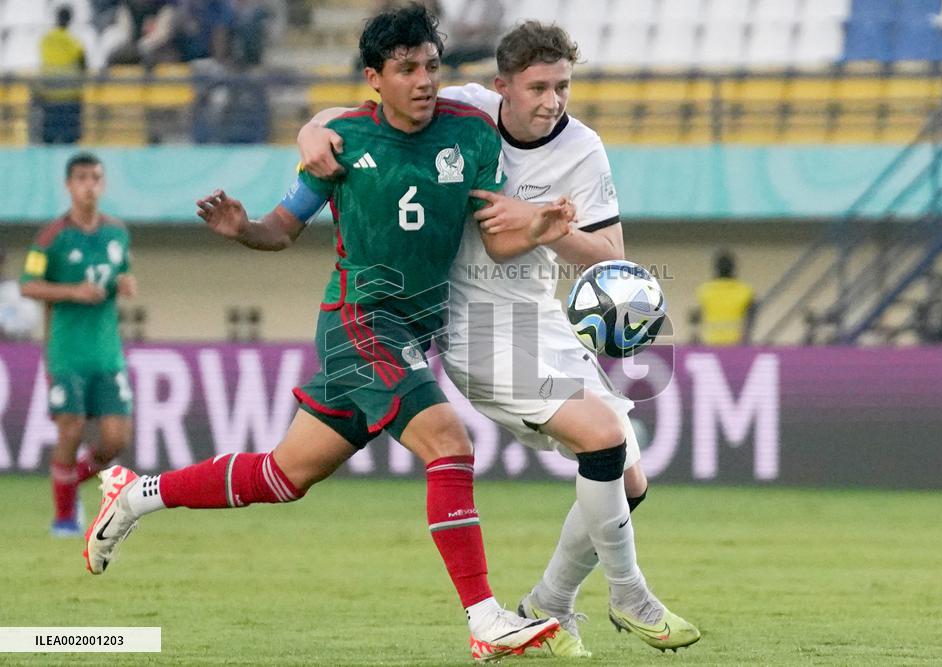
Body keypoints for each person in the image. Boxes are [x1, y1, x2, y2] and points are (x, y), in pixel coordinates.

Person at [84, 5, 570, 662]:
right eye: (406, 69)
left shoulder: (473, 132)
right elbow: (283, 227)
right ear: (375, 77)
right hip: (360, 318)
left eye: (430, 66)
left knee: (285, 475)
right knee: (448, 442)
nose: (424, 80)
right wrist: (243, 229)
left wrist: (537, 229)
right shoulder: (342, 140)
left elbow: (495, 234)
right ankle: (485, 617)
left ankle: (136, 493)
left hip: (410, 330)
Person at [297, 20, 700, 658]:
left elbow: (609, 256)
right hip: (474, 327)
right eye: (538, 87)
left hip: (541, 317)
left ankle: (549, 603)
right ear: (501, 87)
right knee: (604, 439)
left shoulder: (584, 149)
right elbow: (366, 109)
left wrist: (543, 227)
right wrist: (310, 130)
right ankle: (629, 594)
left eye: (563, 86)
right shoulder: (466, 109)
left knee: (628, 482)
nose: (552, 101)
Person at [20, 153, 137, 535]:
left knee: (115, 440)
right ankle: (65, 518)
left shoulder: (118, 232)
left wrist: (126, 284)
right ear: (69, 185)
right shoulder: (51, 238)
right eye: (82, 178)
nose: (90, 185)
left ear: (103, 185)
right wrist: (72, 291)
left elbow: (123, 272)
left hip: (107, 353)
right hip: (66, 352)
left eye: (96, 178)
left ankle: (70, 483)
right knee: (69, 431)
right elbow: (28, 285)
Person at [38, 5, 86, 144]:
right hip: (70, 95)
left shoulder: (45, 39)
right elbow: (83, 64)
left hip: (49, 93)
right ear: (70, 20)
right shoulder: (74, 41)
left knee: (49, 137)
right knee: (69, 138)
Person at [692, 248, 755, 346]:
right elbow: (751, 318)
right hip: (736, 342)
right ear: (734, 268)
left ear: (715, 269)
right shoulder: (745, 291)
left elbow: (695, 317)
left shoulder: (704, 290)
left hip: (710, 342)